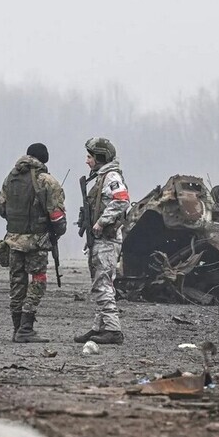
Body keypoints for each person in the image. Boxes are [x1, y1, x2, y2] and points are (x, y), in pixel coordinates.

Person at [0, 143, 66, 343]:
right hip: (36, 241)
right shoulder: (47, 181)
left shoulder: (11, 178)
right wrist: (56, 232)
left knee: (17, 283)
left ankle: (17, 328)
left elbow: (0, 207)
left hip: (13, 240)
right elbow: (58, 216)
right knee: (38, 281)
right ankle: (26, 327)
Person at [74, 137, 130, 345]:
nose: (87, 161)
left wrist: (101, 221)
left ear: (100, 157)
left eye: (90, 157)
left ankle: (113, 329)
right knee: (100, 283)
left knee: (103, 283)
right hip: (101, 240)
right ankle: (100, 327)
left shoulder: (111, 176)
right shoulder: (101, 177)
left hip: (107, 239)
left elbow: (122, 200)